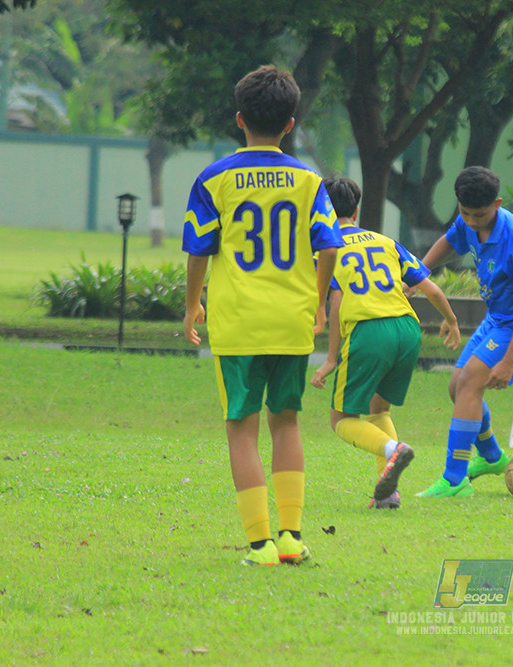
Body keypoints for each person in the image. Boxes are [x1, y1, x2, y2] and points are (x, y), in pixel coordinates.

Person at [182, 65, 343, 566]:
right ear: (291, 124)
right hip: (292, 321)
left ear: (238, 119)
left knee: (241, 428)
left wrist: (192, 307)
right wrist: (317, 301)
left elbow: (198, 252)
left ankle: (260, 545)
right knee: (287, 422)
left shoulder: (215, 178)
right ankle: (292, 537)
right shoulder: (308, 180)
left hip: (237, 324)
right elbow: (329, 247)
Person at [310, 177, 461, 508]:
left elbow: (336, 303)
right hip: (408, 330)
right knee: (379, 408)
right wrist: (450, 320)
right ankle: (387, 493)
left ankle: (394, 450)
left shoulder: (326, 249)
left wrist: (331, 358)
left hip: (369, 331)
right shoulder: (386, 242)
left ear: (320, 211)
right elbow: (430, 288)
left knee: (342, 419)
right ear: (357, 209)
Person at [414, 166, 513, 498]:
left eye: (478, 214)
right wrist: (418, 273)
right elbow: (450, 241)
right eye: (464, 213)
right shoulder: (469, 222)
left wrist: (509, 362)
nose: (471, 221)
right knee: (457, 387)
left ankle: (454, 480)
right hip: (499, 317)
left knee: (469, 383)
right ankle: (493, 457)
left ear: (497, 203)